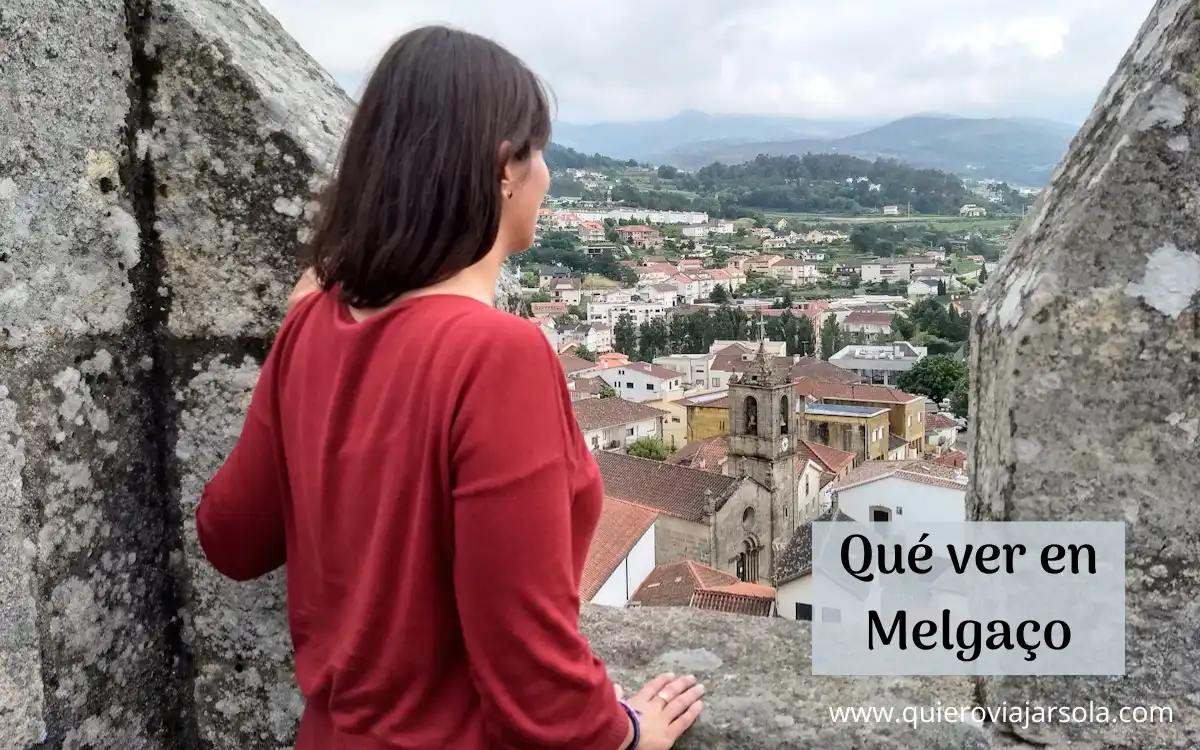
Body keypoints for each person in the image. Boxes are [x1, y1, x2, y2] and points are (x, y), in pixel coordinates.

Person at [194, 25, 704, 750]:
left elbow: (230, 538)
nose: (548, 175)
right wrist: (624, 734)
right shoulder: (498, 355)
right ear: (504, 168)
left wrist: (293, 345)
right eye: (541, 152)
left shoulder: (313, 325)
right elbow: (529, 668)